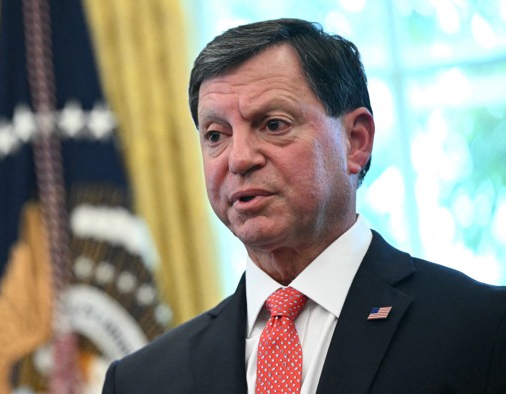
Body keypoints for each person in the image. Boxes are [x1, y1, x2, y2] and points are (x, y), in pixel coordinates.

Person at [102, 18, 506, 393]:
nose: (238, 158)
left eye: (273, 124)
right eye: (215, 135)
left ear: (356, 141)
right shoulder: (141, 381)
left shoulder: (481, 327)